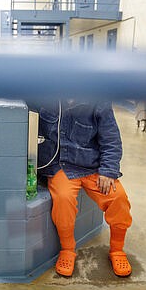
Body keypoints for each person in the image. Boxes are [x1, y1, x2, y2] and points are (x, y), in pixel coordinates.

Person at [36, 99, 132, 277]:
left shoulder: (99, 102)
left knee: (118, 198)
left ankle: (117, 250)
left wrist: (109, 171)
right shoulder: (46, 97)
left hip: (93, 167)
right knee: (63, 199)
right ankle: (68, 249)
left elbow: (111, 140)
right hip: (61, 166)